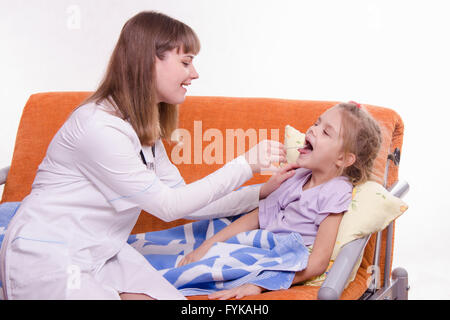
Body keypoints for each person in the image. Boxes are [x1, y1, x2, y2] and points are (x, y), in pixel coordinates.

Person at [0, 11, 287, 300]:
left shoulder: (141, 131)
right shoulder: (98, 127)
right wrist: (245, 164)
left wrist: (260, 192)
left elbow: (185, 200)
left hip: (102, 252)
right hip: (49, 255)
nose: (194, 73)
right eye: (186, 62)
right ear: (149, 62)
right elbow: (168, 206)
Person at [177, 102, 382, 299]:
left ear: (344, 159)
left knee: (190, 271)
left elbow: (318, 261)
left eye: (326, 132)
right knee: (198, 237)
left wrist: (259, 283)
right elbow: (256, 217)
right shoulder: (298, 175)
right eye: (317, 123)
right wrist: (206, 247)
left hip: (280, 254)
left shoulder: (336, 192)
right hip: (257, 240)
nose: (312, 130)